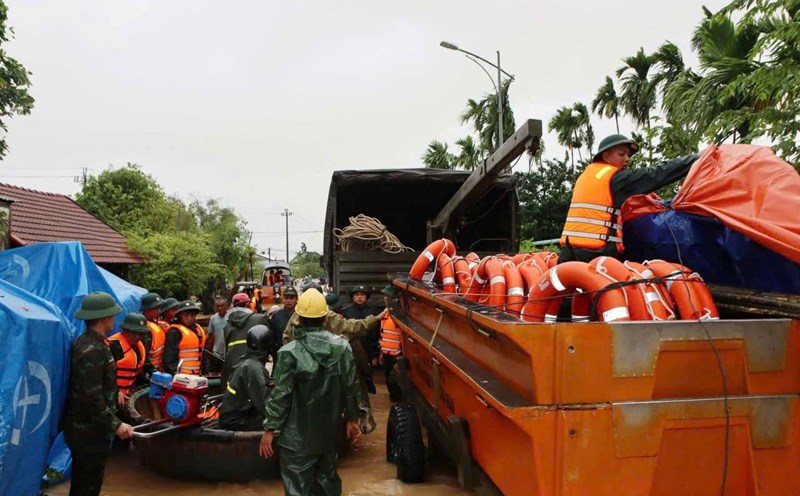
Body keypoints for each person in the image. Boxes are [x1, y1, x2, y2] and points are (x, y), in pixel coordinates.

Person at [259, 289, 361, 496]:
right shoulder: (343, 348)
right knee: (327, 483)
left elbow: (281, 395)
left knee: (298, 488)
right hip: (329, 435)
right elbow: (351, 387)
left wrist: (270, 429)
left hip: (297, 439)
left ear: (299, 318)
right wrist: (352, 419)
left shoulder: (289, 352)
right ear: (325, 317)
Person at [559, 134, 699, 263]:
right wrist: (695, 159)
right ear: (606, 156)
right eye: (622, 154)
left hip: (569, 250)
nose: (627, 159)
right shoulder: (615, 179)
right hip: (596, 253)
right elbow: (655, 174)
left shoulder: (587, 176)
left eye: (628, 155)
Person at [62, 292, 133, 496]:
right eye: (112, 315)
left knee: (87, 483)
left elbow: (100, 385)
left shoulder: (97, 344)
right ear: (104, 318)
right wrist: (117, 424)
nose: (114, 319)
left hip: (93, 430)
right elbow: (91, 397)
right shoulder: (91, 350)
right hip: (88, 432)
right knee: (87, 486)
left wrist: (116, 391)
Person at [108, 313, 150, 451]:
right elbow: (103, 373)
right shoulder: (114, 345)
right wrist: (116, 391)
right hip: (111, 397)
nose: (137, 337)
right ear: (125, 330)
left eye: (140, 334)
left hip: (126, 397)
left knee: (125, 438)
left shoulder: (139, 347)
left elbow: (142, 368)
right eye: (134, 333)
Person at [218, 325, 273, 431]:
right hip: (235, 421)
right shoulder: (253, 367)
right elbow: (264, 404)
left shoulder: (246, 360)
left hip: (232, 416)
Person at [222, 292, 270, 385]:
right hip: (254, 367)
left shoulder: (227, 326)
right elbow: (270, 342)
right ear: (248, 304)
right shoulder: (260, 319)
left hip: (231, 368)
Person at [163, 301, 206, 375]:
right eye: (186, 316)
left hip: (198, 375)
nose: (189, 318)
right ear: (180, 316)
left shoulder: (197, 330)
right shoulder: (174, 332)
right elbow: (169, 360)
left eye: (192, 315)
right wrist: (177, 375)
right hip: (182, 377)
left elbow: (202, 354)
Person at [377, 285, 403, 402]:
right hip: (386, 354)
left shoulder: (401, 316)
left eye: (388, 296)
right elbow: (383, 335)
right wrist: (381, 353)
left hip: (397, 358)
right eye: (385, 296)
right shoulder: (386, 314)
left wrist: (401, 358)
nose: (385, 298)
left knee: (397, 383)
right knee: (389, 380)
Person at [140, 292, 165, 372]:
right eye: (156, 308)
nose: (159, 310)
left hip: (157, 369)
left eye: (159, 307)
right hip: (149, 372)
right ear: (147, 309)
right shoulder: (144, 328)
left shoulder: (153, 323)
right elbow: (144, 355)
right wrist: (152, 372)